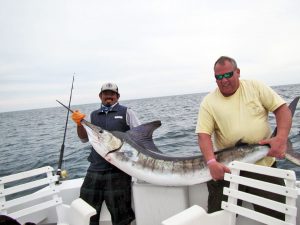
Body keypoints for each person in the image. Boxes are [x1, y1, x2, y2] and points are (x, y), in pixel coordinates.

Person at [195, 56, 292, 220]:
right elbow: (203, 135)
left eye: (228, 75)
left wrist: (281, 138)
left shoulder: (255, 87)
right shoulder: (208, 101)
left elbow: (282, 109)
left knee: (277, 218)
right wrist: (211, 162)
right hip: (227, 169)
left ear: (238, 72)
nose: (224, 80)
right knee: (219, 219)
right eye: (219, 77)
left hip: (263, 165)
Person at [71, 82, 140, 225]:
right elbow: (84, 139)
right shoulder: (93, 115)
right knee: (86, 211)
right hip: (95, 168)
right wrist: (79, 124)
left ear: (117, 96)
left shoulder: (127, 112)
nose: (109, 96)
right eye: (105, 94)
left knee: (121, 215)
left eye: (112, 94)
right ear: (100, 96)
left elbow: (139, 137)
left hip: (118, 170)